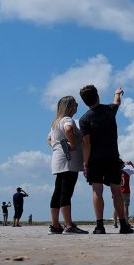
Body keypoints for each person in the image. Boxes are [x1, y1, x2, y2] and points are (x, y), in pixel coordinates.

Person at [78, 84, 134, 235]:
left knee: (97, 191)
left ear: (84, 101)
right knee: (116, 191)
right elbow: (117, 102)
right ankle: (123, 225)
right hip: (112, 157)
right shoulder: (109, 110)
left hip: (95, 159)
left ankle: (99, 226)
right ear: (98, 96)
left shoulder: (84, 119)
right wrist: (117, 93)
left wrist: (85, 163)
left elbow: (87, 144)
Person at [47, 95, 87, 234]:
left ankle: (55, 225)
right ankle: (69, 225)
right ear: (70, 106)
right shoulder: (67, 120)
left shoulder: (55, 122)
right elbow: (69, 129)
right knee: (66, 192)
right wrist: (73, 144)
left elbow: (49, 139)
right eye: (75, 103)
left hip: (58, 159)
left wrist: (57, 147)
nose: (77, 106)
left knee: (57, 192)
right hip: (69, 161)